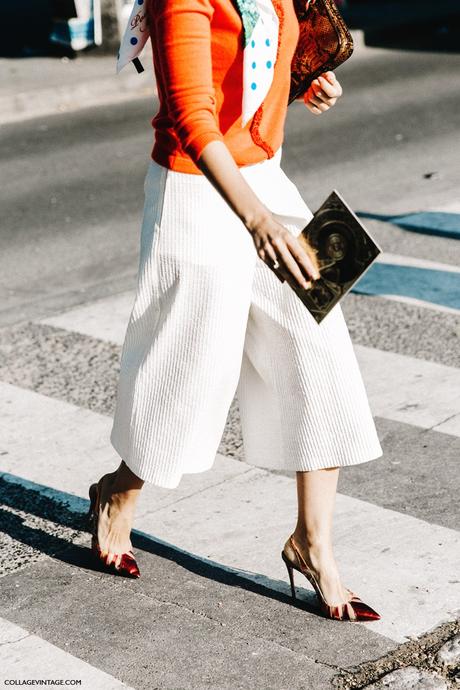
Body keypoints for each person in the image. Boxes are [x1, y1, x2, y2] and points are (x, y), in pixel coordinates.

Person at [87, 0, 383, 622]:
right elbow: (194, 119)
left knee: (321, 352)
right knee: (189, 370)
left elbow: (254, 61)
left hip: (267, 179)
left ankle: (313, 543)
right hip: (195, 188)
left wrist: (301, 85)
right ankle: (118, 492)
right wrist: (255, 221)